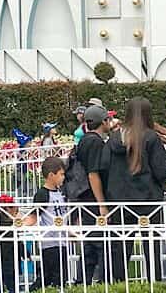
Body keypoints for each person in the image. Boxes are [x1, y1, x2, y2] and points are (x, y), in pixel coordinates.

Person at [104, 97, 166, 282]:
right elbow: (160, 170)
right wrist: (165, 181)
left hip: (119, 200)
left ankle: (118, 285)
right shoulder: (150, 137)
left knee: (121, 248)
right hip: (148, 200)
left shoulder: (114, 138)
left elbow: (105, 167)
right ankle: (154, 284)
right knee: (152, 247)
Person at [69, 105, 110, 285]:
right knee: (99, 243)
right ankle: (101, 283)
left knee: (90, 243)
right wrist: (102, 203)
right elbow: (93, 174)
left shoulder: (85, 140)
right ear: (103, 122)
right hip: (92, 198)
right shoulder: (95, 142)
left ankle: (82, 282)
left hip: (84, 197)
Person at [27, 157, 67, 289]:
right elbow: (34, 216)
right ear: (51, 175)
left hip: (62, 240)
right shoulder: (42, 194)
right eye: (61, 174)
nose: (63, 177)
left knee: (61, 276)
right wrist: (19, 225)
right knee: (48, 276)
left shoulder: (61, 193)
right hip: (50, 242)